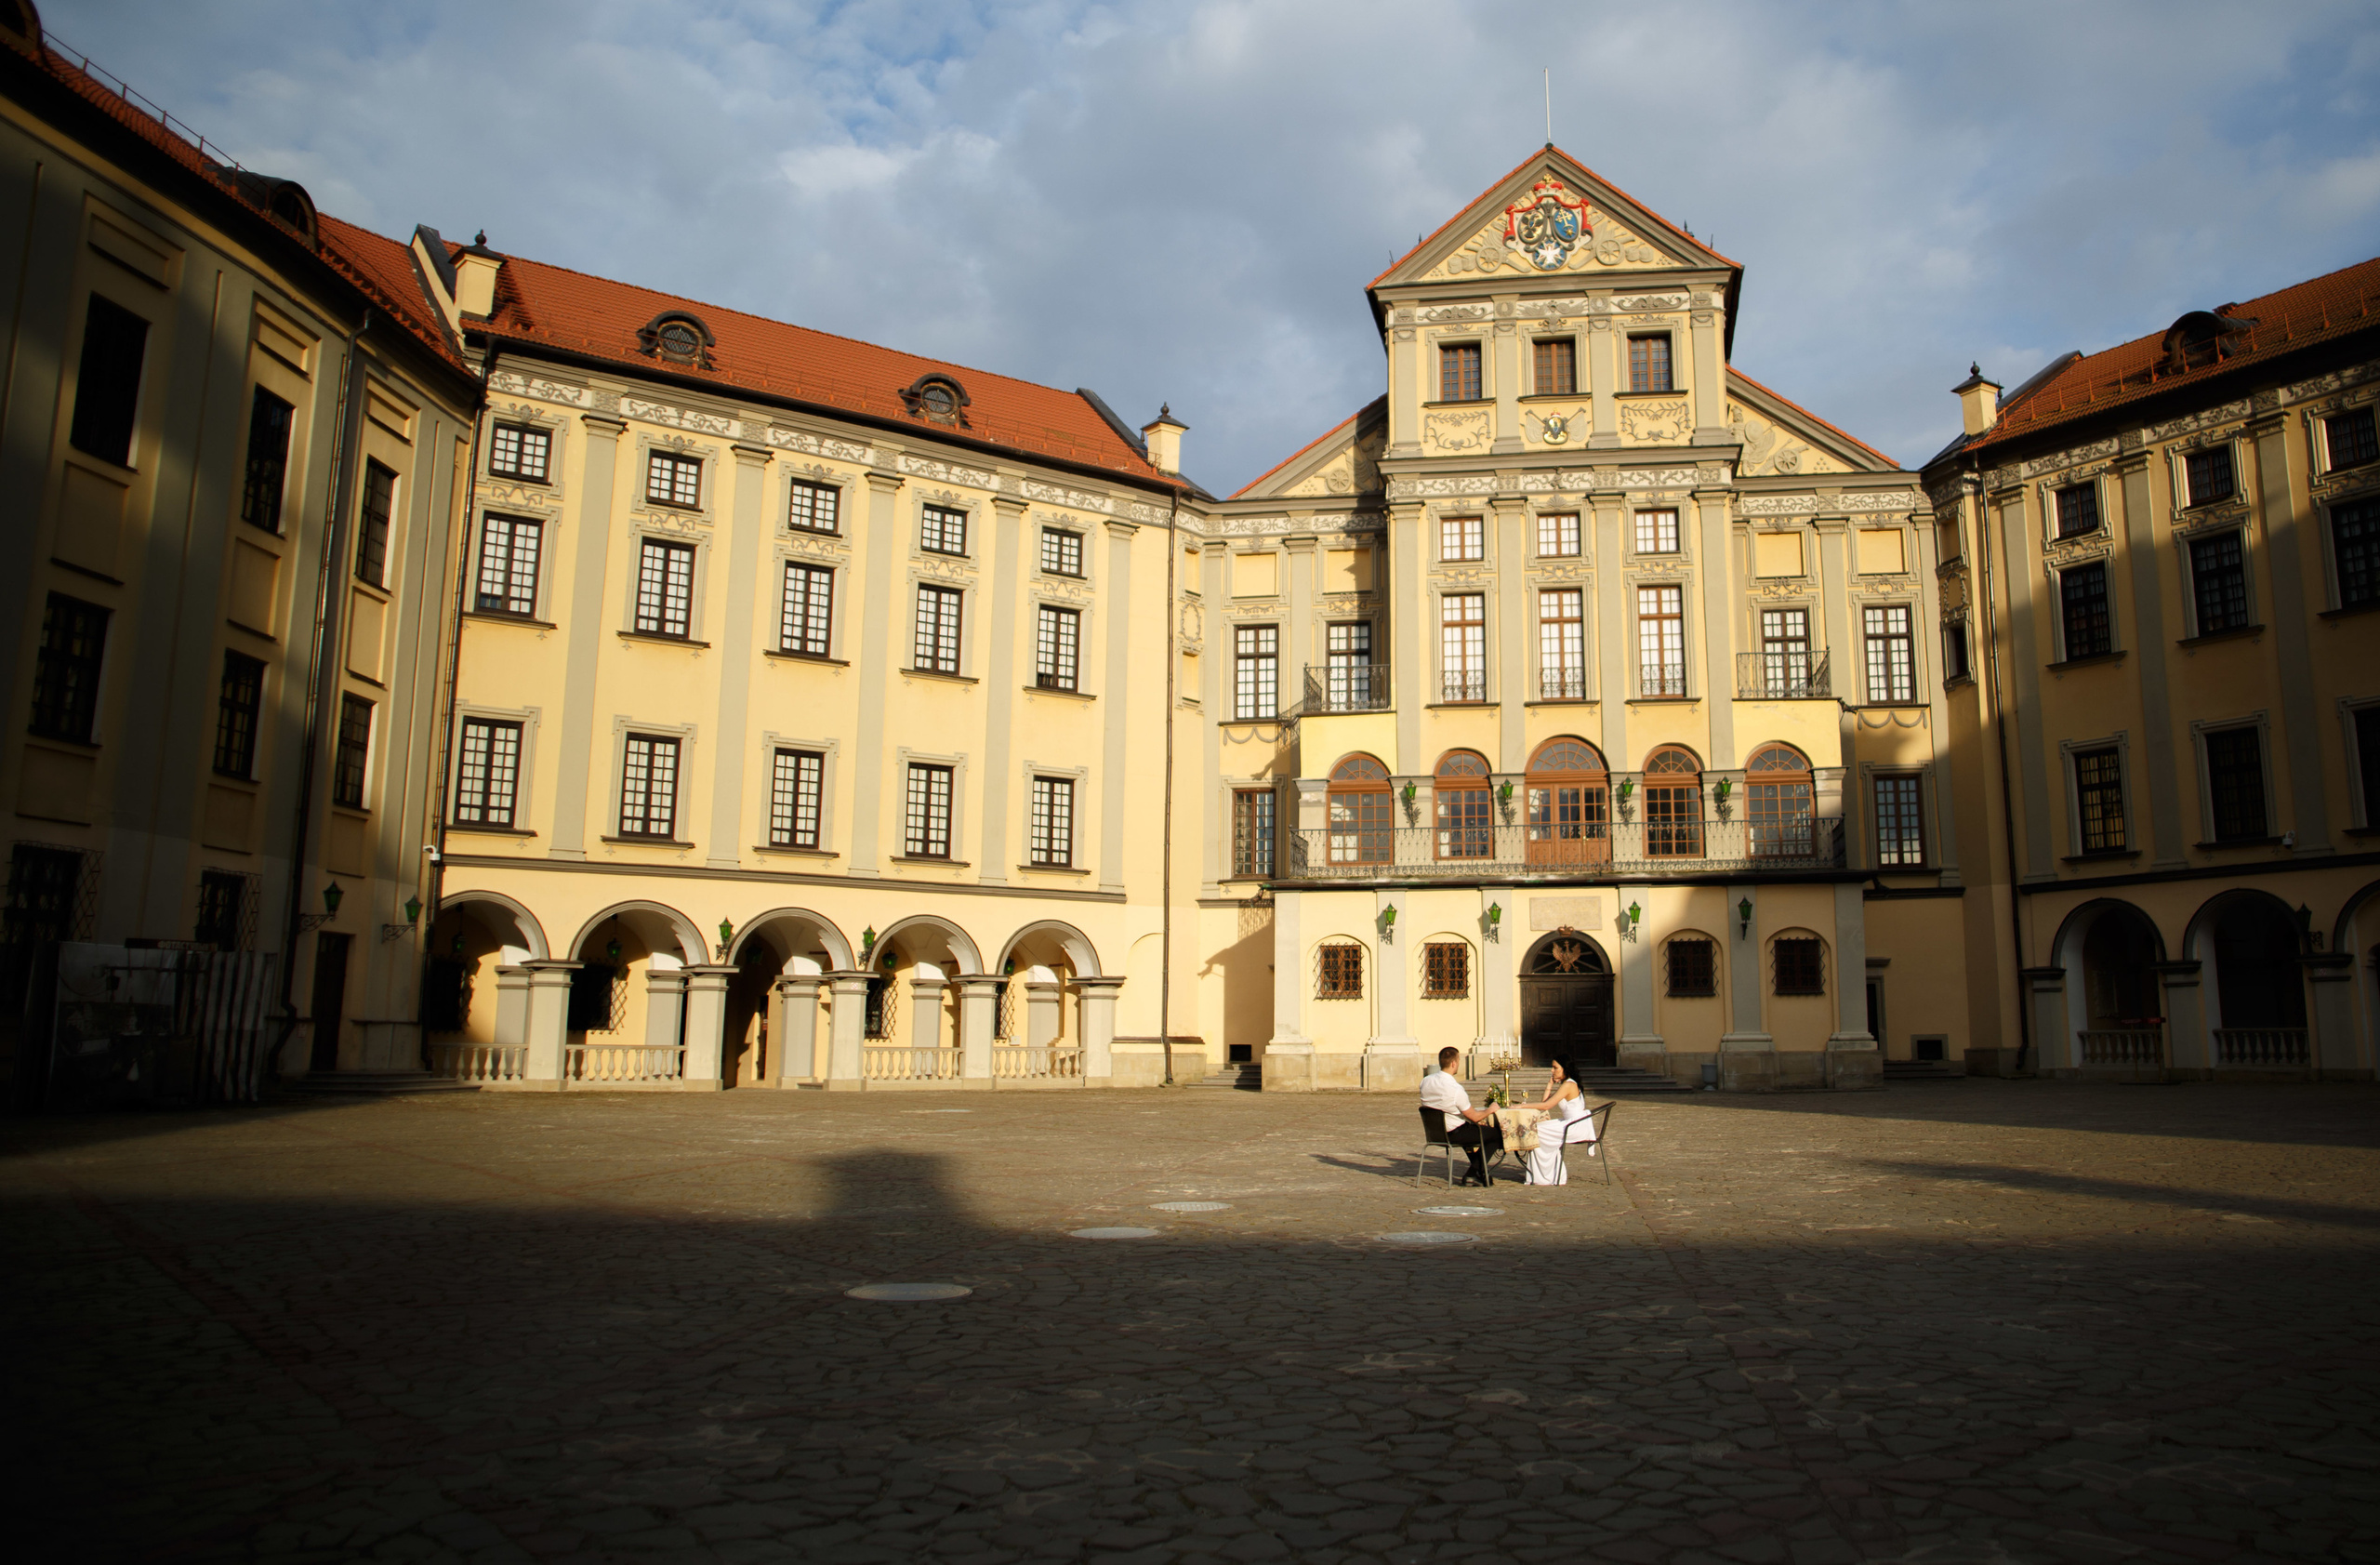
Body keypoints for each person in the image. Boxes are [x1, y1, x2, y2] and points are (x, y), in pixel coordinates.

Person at [1421, 1045, 1503, 1186]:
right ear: (1454, 1063)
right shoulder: (1455, 1089)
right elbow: (1475, 1117)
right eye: (1458, 1060)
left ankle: (1480, 1172)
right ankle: (1473, 1173)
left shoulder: (1426, 1081)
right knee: (1497, 1135)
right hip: (1454, 1132)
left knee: (1473, 1133)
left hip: (1435, 1132)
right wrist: (1490, 1109)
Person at [1523, 1057, 1594, 1186]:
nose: (1552, 1070)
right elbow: (1544, 1103)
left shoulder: (1569, 1085)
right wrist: (1549, 1085)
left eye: (1555, 1068)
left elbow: (1546, 1106)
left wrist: (1520, 1106)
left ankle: (1547, 1175)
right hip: (1570, 1123)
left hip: (1575, 1126)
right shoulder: (1566, 1084)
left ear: (1565, 1069)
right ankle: (1547, 1173)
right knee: (1537, 1127)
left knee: (1536, 1130)